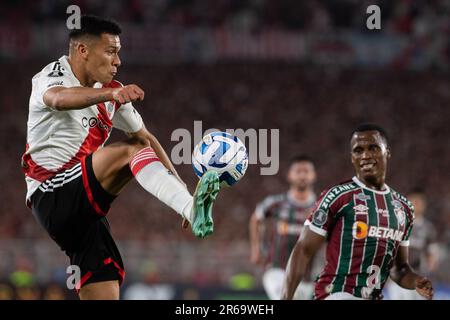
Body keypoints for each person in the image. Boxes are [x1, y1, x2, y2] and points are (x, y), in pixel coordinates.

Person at [21, 15, 220, 300]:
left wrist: (182, 188)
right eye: (111, 51)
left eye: (119, 53)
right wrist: (112, 94)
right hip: (51, 192)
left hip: (85, 214)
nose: (118, 61)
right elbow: (59, 99)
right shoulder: (53, 74)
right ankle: (192, 210)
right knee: (128, 152)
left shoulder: (109, 92)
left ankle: (190, 207)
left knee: (104, 287)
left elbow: (146, 139)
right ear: (83, 51)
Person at [282, 124, 434, 300]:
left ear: (388, 153)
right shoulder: (338, 196)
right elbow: (303, 249)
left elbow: (399, 269)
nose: (365, 155)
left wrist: (416, 281)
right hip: (336, 294)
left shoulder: (404, 208)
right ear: (352, 157)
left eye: (373, 148)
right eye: (358, 150)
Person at [249, 155, 322, 299]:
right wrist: (256, 249)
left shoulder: (321, 207)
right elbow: (255, 219)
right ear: (290, 175)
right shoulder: (276, 203)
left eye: (306, 171)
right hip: (277, 270)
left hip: (307, 277)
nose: (302, 175)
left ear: (313, 175)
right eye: (298, 171)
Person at [385, 189, 440, 299]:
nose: (416, 204)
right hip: (397, 277)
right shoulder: (396, 223)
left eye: (419, 202)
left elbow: (432, 254)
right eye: (413, 201)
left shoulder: (428, 228)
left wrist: (431, 263)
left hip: (418, 277)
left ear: (424, 205)